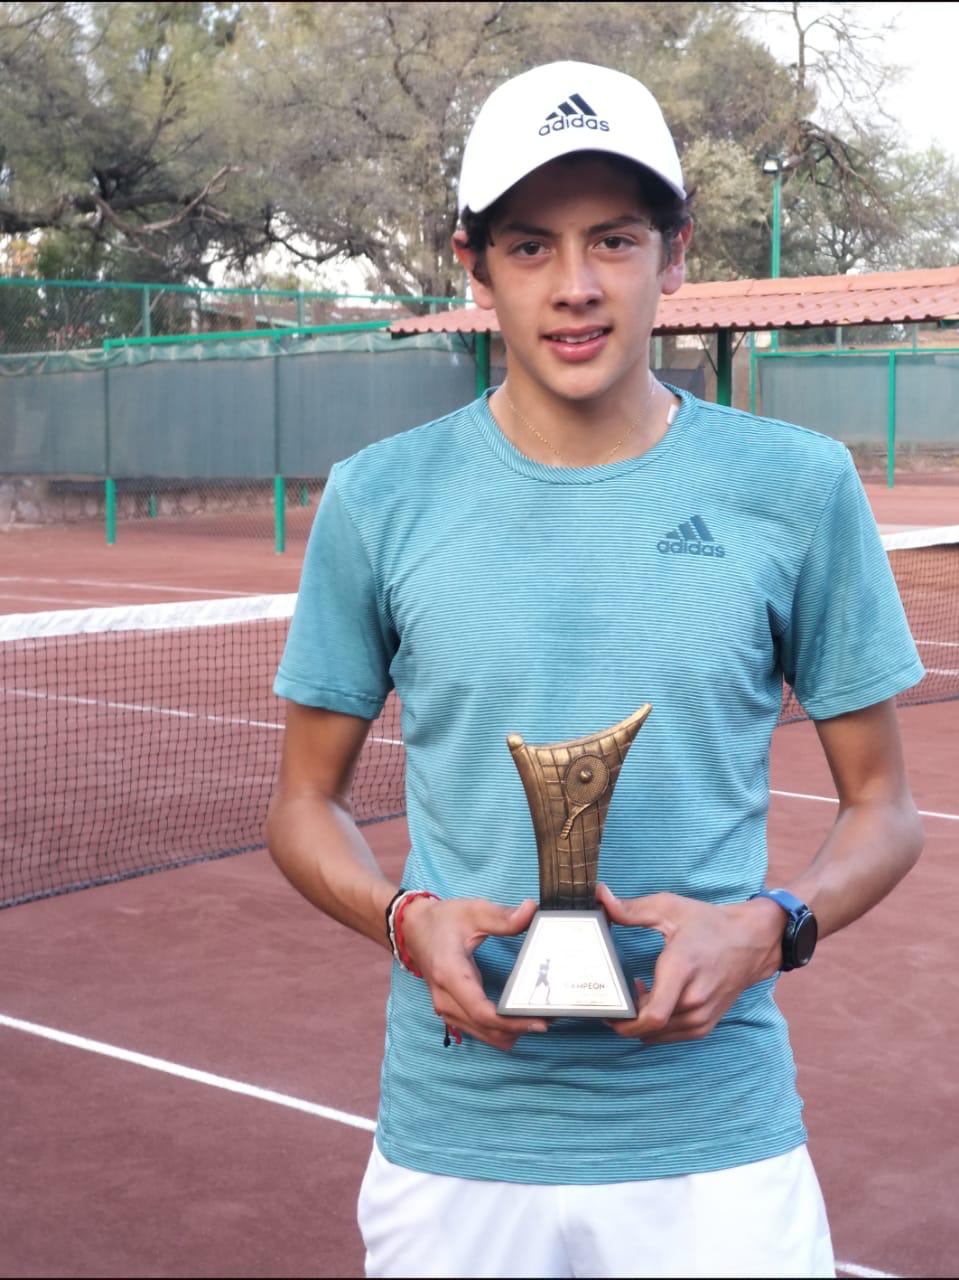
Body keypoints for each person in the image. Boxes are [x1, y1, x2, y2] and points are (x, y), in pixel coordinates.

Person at [266, 60, 924, 1279]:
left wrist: (771, 929)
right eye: (530, 246)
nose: (575, 288)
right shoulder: (376, 499)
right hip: (456, 1147)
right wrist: (405, 918)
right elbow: (301, 805)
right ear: (474, 265)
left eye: (612, 239)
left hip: (713, 1148)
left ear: (674, 253)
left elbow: (883, 809)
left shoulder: (795, 486)